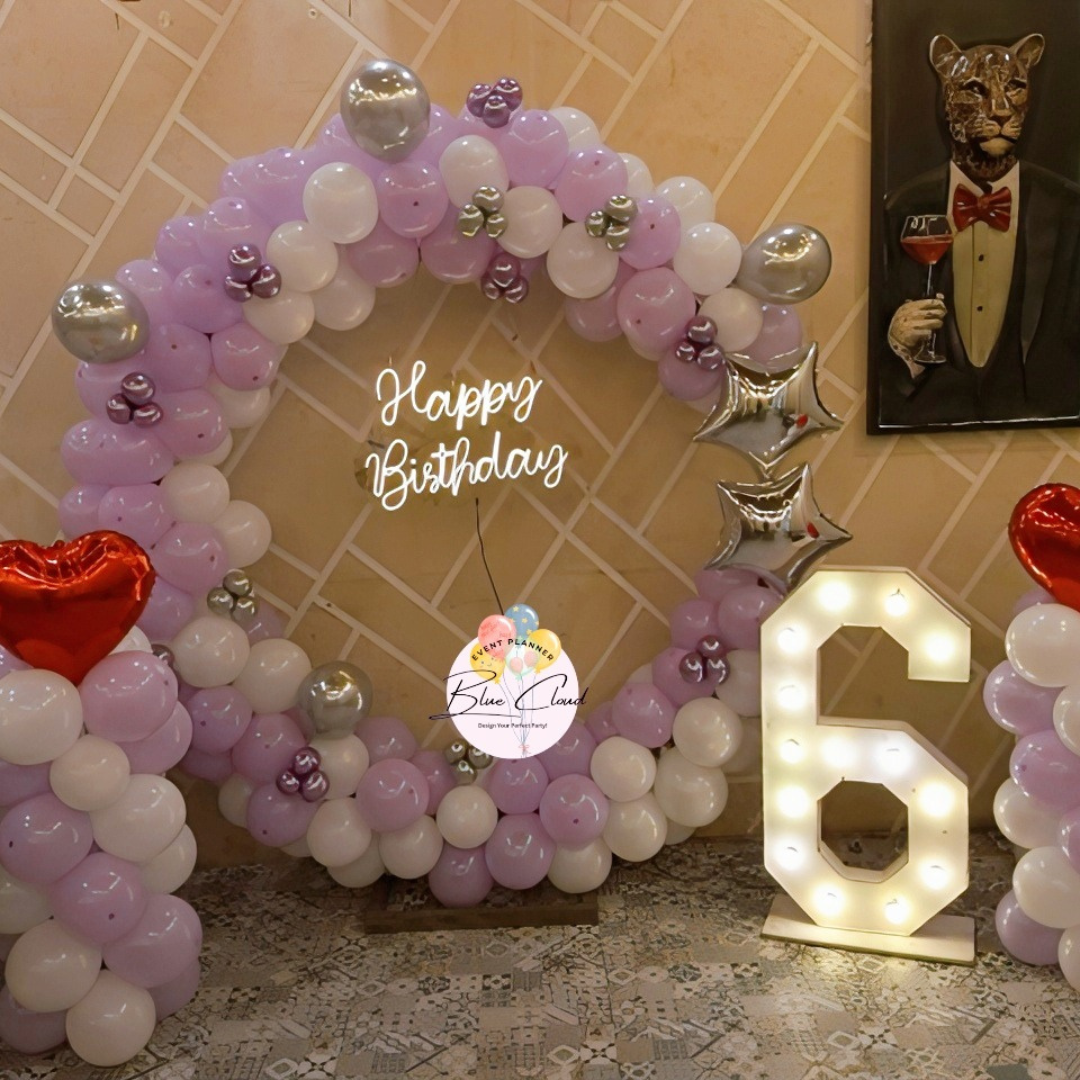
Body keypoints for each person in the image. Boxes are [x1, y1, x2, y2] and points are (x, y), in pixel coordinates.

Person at [877, 32, 1080, 430]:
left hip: (1047, 429)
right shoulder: (899, 208)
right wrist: (897, 344)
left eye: (1015, 88)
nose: (1001, 109)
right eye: (975, 89)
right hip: (922, 427)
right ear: (946, 96)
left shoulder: (1070, 209)